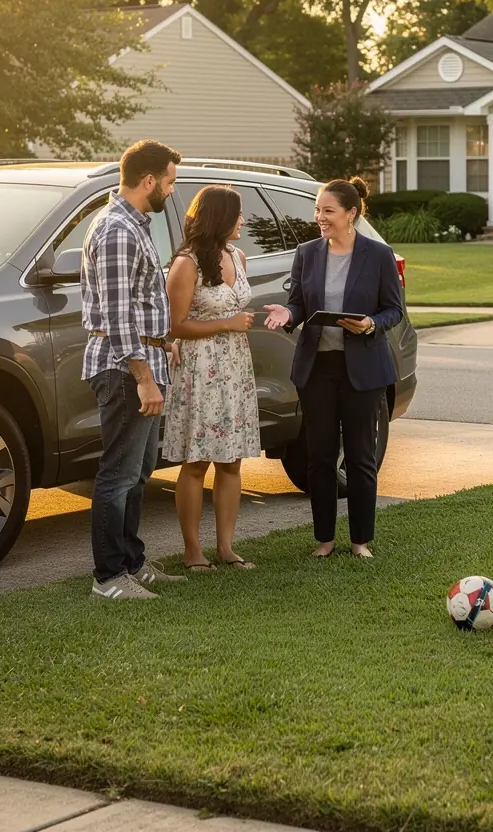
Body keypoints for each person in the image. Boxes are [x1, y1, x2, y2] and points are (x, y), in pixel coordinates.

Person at [263, 177, 403, 558]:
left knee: (360, 457)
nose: (319, 217)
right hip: (317, 369)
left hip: (364, 370)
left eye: (328, 211)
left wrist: (371, 324)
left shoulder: (378, 255)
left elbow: (394, 309)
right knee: (320, 457)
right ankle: (324, 540)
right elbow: (299, 304)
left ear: (351, 214)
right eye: (317, 210)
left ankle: (360, 541)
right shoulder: (307, 252)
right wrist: (287, 312)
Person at [81, 139, 186, 600]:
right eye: (170, 181)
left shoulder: (134, 224)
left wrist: (165, 341)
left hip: (146, 359)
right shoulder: (119, 230)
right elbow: (119, 315)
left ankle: (132, 563)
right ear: (149, 181)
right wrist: (144, 377)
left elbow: (141, 302)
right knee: (118, 475)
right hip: (124, 369)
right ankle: (108, 579)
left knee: (138, 472)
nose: (171, 190)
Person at [161, 185, 261, 572]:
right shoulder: (187, 263)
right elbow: (176, 325)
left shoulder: (238, 256)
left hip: (235, 368)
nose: (242, 221)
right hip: (201, 370)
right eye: (236, 214)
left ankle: (226, 548)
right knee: (197, 460)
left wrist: (241, 324)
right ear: (219, 217)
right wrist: (227, 323)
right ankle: (192, 551)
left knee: (231, 460)